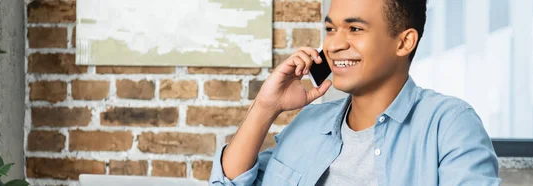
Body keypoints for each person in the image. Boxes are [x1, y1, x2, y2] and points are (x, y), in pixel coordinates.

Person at [209, 0, 501, 185]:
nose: (334, 45)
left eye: (355, 29)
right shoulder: (310, 123)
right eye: (331, 29)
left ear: (404, 42)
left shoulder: (449, 125)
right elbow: (229, 182)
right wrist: (265, 107)